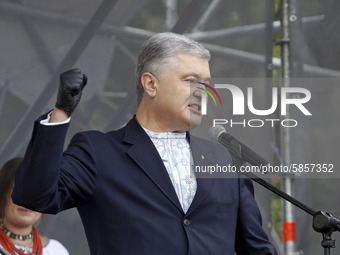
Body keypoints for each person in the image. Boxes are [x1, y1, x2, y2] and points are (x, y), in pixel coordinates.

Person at [12, 32, 278, 254]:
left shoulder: (222, 159)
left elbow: (255, 248)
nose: (203, 92)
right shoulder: (98, 152)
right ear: (151, 84)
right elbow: (35, 196)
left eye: (207, 83)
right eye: (191, 81)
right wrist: (61, 113)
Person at [0, 158, 69, 255]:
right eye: (20, 192)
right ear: (3, 196)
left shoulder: (56, 251)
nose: (27, 201)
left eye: (35, 193)